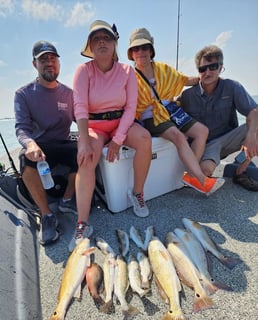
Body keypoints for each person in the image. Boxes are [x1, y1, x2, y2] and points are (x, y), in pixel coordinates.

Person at [69, 20, 152, 252]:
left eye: (107, 38)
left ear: (115, 44)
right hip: (94, 126)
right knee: (85, 158)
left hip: (120, 124)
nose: (102, 42)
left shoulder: (127, 71)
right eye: (97, 39)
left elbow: (131, 107)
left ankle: (137, 193)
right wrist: (84, 142)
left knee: (145, 139)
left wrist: (117, 140)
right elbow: (80, 107)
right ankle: (82, 223)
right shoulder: (83, 71)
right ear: (91, 46)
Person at [127, 28, 225, 196]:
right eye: (136, 48)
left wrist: (208, 77)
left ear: (151, 50)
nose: (141, 52)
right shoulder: (128, 76)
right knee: (179, 137)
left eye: (144, 47)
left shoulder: (163, 69)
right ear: (131, 53)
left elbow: (184, 79)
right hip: (150, 116)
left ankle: (189, 175)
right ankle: (201, 179)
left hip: (171, 110)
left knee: (202, 131)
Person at [15, 40, 78, 246]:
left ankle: (67, 200)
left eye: (53, 58)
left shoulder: (70, 94)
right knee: (24, 159)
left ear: (59, 63)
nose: (49, 63)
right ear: (35, 64)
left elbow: (85, 121)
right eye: (43, 59)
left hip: (65, 142)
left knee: (88, 150)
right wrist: (30, 144)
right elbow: (21, 128)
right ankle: (47, 215)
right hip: (40, 147)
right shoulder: (23, 94)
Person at [180, 45, 258, 191]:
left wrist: (251, 136)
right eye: (203, 69)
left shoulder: (232, 86)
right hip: (202, 147)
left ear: (221, 67)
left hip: (226, 140)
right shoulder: (187, 96)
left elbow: (254, 112)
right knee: (204, 172)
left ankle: (240, 171)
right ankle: (204, 169)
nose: (207, 72)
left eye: (213, 67)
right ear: (198, 72)